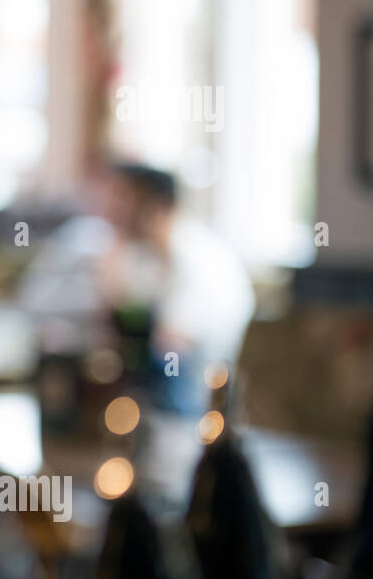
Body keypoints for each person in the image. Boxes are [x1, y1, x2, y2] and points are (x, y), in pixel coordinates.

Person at [20, 163, 255, 412]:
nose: (115, 209)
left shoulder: (195, 256)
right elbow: (113, 310)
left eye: (125, 200)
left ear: (157, 207)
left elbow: (171, 342)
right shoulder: (145, 252)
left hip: (195, 393)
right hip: (163, 378)